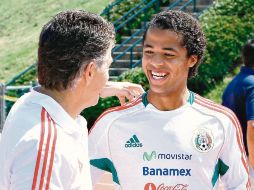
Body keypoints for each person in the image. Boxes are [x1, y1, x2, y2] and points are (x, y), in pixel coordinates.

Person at [89, 10, 251, 190]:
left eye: (168, 54)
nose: (156, 62)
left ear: (191, 59)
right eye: (149, 52)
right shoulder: (112, 122)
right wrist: (95, 88)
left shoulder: (220, 121)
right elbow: (72, 181)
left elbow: (240, 185)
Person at [0, 10, 144, 190]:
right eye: (108, 66)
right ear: (89, 72)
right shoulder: (47, 149)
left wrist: (98, 87)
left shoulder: (30, 103)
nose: (108, 75)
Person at [222, 40, 254, 170]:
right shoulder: (252, 84)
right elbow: (252, 125)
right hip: (249, 158)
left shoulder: (233, 83)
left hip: (235, 157)